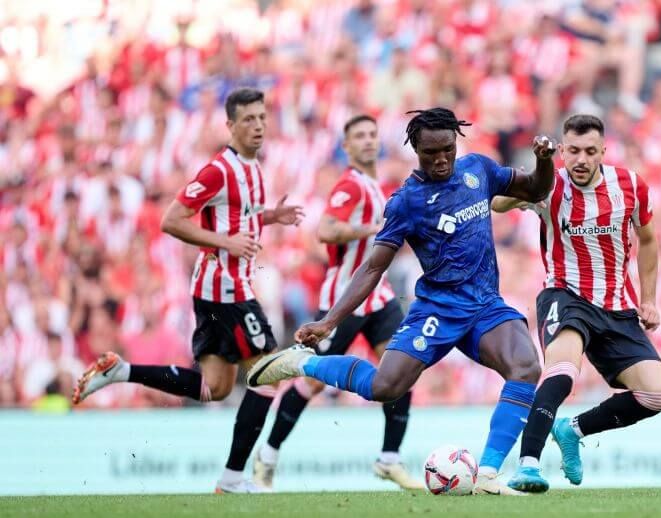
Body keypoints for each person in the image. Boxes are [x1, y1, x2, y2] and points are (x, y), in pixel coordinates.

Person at [248, 107, 556, 495]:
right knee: (384, 387)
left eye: (447, 149)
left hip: (484, 305)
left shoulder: (479, 170)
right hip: (438, 309)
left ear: (456, 143)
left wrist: (544, 161)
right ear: (415, 150)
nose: (441, 159)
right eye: (431, 153)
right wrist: (329, 322)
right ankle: (303, 364)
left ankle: (489, 474)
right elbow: (373, 267)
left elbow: (536, 189)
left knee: (526, 366)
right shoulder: (406, 201)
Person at [72, 87, 306, 493]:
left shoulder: (253, 169)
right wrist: (225, 244)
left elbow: (237, 218)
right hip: (225, 290)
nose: (258, 125)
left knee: (213, 387)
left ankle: (120, 370)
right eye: (248, 119)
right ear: (229, 125)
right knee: (269, 374)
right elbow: (171, 220)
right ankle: (233, 478)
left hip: (218, 290)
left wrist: (270, 217)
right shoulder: (219, 169)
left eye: (262, 117)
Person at [492, 114, 661, 493]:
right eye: (573, 151)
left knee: (656, 395)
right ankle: (528, 464)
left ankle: (572, 430)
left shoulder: (631, 186)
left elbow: (649, 241)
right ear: (562, 150)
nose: (581, 160)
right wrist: (536, 170)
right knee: (562, 371)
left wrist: (649, 300)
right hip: (566, 295)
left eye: (590, 151)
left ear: (603, 151)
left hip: (617, 306)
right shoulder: (548, 185)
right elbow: (498, 204)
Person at [252, 115, 423, 491]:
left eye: (371, 134)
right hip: (342, 300)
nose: (366, 141)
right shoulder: (351, 186)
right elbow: (326, 229)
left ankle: (389, 459)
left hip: (377, 298)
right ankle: (268, 453)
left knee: (402, 369)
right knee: (310, 383)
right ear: (346, 147)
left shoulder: (377, 187)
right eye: (358, 136)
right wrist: (373, 230)